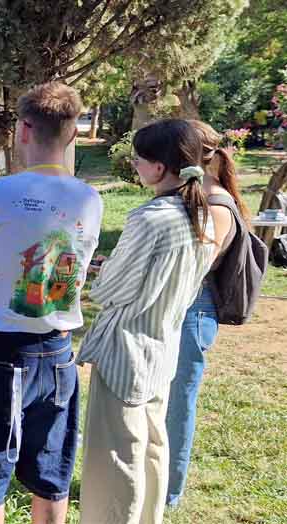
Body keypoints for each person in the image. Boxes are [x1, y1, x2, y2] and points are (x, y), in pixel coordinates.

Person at [0, 82, 103, 524]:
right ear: (73, 134)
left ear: (22, 130)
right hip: (58, 350)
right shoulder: (90, 199)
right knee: (52, 473)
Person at [77, 119, 216, 524]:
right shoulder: (200, 214)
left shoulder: (150, 218)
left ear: (158, 168)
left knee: (116, 459)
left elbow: (109, 292)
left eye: (138, 159)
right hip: (163, 344)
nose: (134, 165)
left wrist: (101, 272)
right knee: (154, 449)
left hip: (127, 348)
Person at [164, 120, 250, 507]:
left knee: (178, 404)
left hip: (193, 311)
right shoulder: (202, 198)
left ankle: (169, 491)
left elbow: (196, 265)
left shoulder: (216, 205)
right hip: (181, 307)